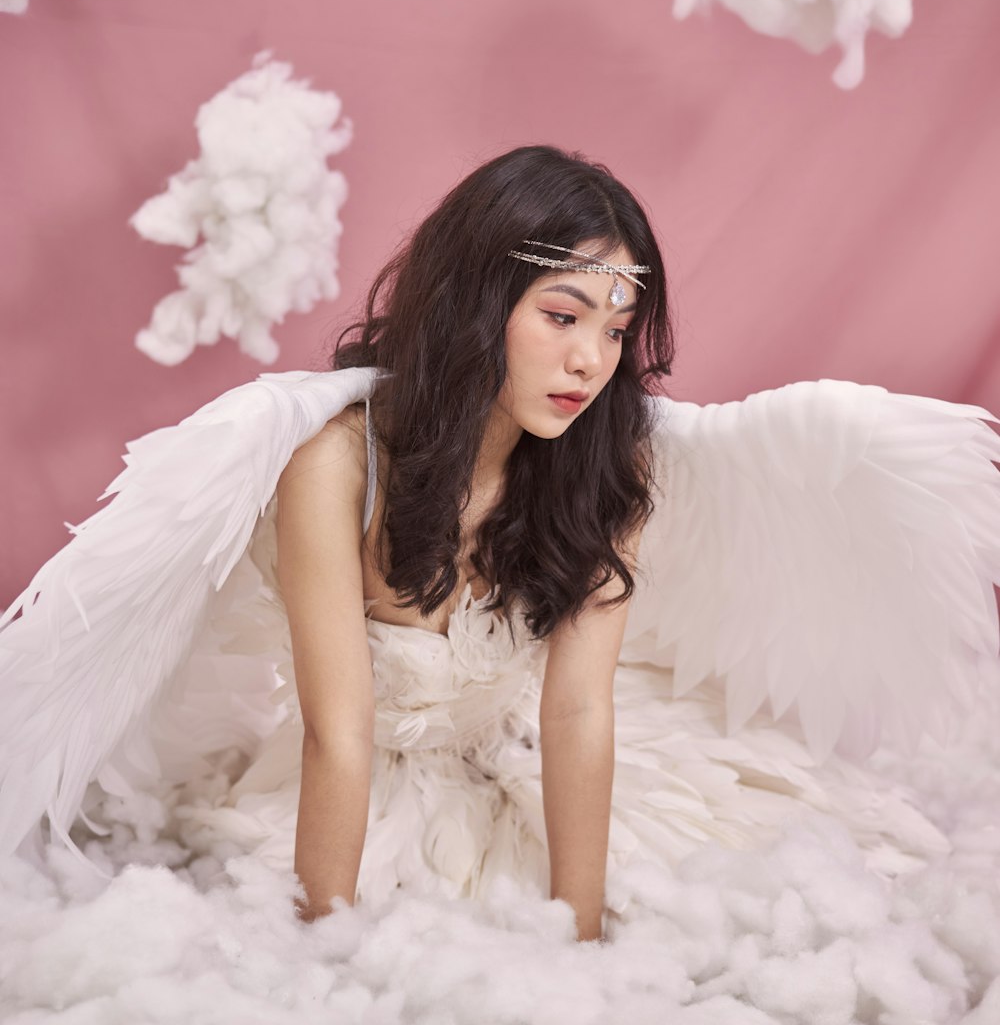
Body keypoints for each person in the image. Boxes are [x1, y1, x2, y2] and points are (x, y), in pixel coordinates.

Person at [3, 145, 1000, 943]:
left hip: (530, 750)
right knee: (386, 934)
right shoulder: (335, 467)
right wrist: (320, 941)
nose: (590, 360)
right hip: (367, 777)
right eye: (563, 316)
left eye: (615, 329)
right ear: (480, 310)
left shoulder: (610, 470)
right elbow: (338, 732)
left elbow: (574, 708)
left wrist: (581, 930)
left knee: (732, 887)